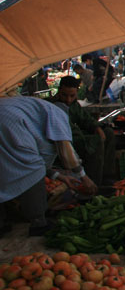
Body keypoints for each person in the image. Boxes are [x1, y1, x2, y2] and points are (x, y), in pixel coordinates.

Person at [0, 97, 97, 236]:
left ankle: (1, 223)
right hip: (9, 123)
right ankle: (38, 222)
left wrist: (60, 177)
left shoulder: (38, 109)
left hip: (7, 119)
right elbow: (66, 152)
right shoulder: (57, 114)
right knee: (32, 170)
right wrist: (84, 177)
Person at [50, 76, 116, 187]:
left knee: (108, 133)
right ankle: (94, 183)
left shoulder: (74, 104)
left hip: (76, 136)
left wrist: (97, 127)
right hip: (64, 141)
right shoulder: (53, 106)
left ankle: (108, 176)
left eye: (72, 96)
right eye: (64, 95)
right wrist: (93, 138)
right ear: (59, 90)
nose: (68, 100)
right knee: (96, 141)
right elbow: (67, 134)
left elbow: (85, 119)